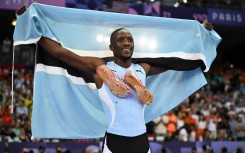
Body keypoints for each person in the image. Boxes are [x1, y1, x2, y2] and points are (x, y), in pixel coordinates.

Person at [16, 5, 214, 153]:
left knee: (169, 63)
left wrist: (203, 37)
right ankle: (114, 81)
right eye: (121, 40)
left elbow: (178, 60)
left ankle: (133, 86)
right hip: (114, 142)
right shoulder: (98, 66)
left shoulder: (143, 68)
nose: (126, 43)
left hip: (141, 142)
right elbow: (61, 54)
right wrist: (28, 22)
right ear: (111, 47)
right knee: (103, 70)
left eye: (129, 40)